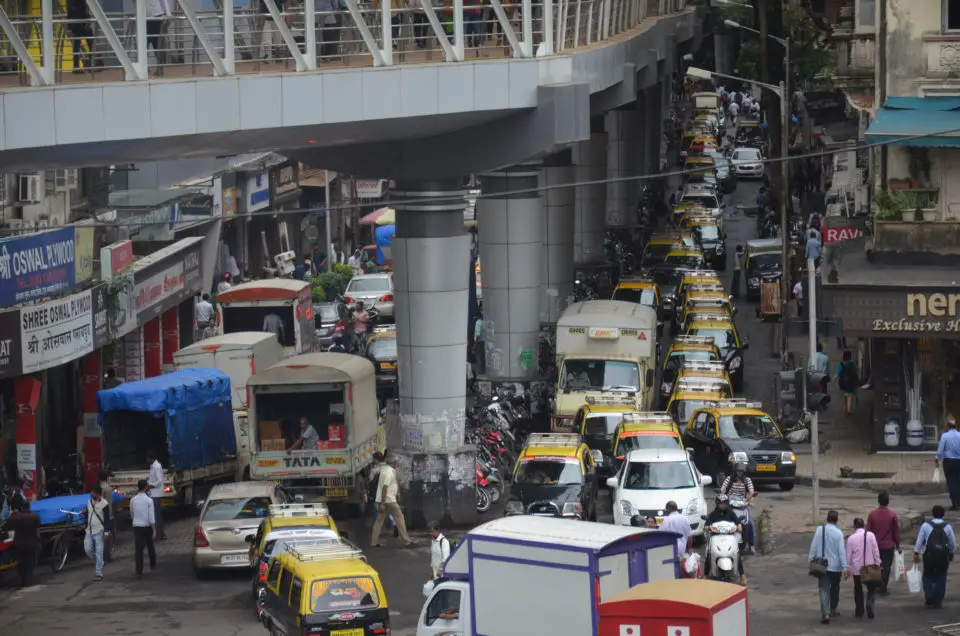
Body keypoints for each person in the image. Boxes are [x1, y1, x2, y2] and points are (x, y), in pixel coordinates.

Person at [808, 510, 849, 625]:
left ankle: (825, 612)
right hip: (835, 567)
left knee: (823, 588)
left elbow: (814, 546)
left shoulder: (820, 530)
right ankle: (833, 609)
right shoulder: (839, 533)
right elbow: (841, 552)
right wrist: (845, 567)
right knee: (835, 587)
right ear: (837, 520)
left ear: (827, 519)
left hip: (822, 566)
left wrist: (810, 559)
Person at [914, 504, 956, 608]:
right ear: (943, 515)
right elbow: (952, 543)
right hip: (943, 556)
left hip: (929, 555)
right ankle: (938, 599)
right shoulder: (948, 527)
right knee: (941, 576)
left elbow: (920, 540)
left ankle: (929, 596)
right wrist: (951, 553)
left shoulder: (926, 526)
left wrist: (916, 552)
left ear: (933, 514)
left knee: (928, 575)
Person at [371, 456, 412, 547]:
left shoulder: (384, 470)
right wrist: (382, 503)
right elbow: (385, 487)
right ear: (394, 464)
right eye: (396, 463)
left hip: (385, 500)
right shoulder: (389, 472)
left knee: (379, 521)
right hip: (389, 500)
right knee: (400, 518)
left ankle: (374, 542)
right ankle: (406, 540)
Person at [704, 495, 745, 583]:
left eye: (724, 503)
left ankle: (742, 575)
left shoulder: (731, 513)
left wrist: (739, 526)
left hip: (730, 536)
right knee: (708, 553)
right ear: (717, 504)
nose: (722, 505)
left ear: (727, 504)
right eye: (721, 504)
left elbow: (737, 522)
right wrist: (707, 527)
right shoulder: (713, 514)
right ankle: (706, 575)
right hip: (715, 536)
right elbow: (707, 524)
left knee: (737, 553)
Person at [867, 492, 901, 596]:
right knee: (886, 567)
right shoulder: (892, 514)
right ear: (888, 501)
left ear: (878, 501)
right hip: (888, 546)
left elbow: (868, 531)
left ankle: (875, 586)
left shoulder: (872, 514)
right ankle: (883, 587)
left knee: (876, 566)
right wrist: (898, 545)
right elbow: (896, 531)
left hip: (875, 545)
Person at [846, 517, 881, 619]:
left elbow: (848, 555)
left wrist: (848, 568)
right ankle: (870, 604)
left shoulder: (851, 538)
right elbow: (875, 550)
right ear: (864, 525)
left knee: (858, 589)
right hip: (869, 567)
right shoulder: (871, 535)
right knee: (871, 587)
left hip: (857, 568)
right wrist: (878, 563)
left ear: (854, 526)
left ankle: (859, 610)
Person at [720, 463, 756, 553]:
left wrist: (750, 497)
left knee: (750, 524)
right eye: (738, 471)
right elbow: (723, 488)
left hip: (742, 506)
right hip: (730, 506)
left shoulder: (747, 480)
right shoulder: (729, 479)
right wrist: (722, 492)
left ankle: (752, 545)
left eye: (741, 472)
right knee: (721, 522)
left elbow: (751, 491)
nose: (740, 473)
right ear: (734, 472)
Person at [5, 500, 39, 587]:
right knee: (29, 562)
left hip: (19, 544)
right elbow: (38, 526)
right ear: (29, 507)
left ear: (22, 507)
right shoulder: (35, 516)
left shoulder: (17, 517)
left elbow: (8, 524)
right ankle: (29, 580)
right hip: (32, 543)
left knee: (21, 563)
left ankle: (23, 581)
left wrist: (12, 514)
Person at [130, 479, 157, 578]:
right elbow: (151, 517)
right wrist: (154, 530)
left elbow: (132, 514)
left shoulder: (133, 500)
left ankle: (139, 570)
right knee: (150, 545)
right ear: (146, 487)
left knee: (139, 549)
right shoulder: (149, 501)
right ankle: (152, 563)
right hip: (147, 526)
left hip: (137, 526)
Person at [84, 485, 111, 581]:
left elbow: (107, 519)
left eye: (94, 492)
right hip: (89, 530)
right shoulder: (89, 502)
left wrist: (106, 531)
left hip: (100, 530)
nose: (92, 494)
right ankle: (100, 563)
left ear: (98, 494)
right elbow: (87, 515)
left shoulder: (104, 504)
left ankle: (98, 572)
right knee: (88, 549)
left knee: (99, 552)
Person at [936, 415, 960, 510]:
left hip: (949, 462)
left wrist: (937, 459)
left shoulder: (945, 436)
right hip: (959, 461)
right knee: (958, 481)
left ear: (948, 426)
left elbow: (940, 450)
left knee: (951, 482)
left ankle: (955, 503)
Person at [66, 0, 93, 72]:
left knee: (76, 44)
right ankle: (91, 64)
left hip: (73, 23)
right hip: (81, 22)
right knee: (91, 41)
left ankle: (76, 66)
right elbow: (85, 11)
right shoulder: (81, 2)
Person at [146, 452, 166, 541]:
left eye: (147, 459)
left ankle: (158, 534)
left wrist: (152, 485)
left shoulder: (157, 466)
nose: (146, 461)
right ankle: (161, 533)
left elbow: (159, 480)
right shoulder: (153, 466)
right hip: (153, 493)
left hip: (155, 493)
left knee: (156, 515)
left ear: (151, 458)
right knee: (157, 515)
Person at [145, 0, 170, 70]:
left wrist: (168, 15)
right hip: (144, 17)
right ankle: (145, 67)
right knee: (144, 44)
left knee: (157, 43)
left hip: (156, 17)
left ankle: (160, 68)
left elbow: (164, 1)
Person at [835, 351, 860, 415]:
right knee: (849, 395)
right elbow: (855, 373)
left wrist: (834, 379)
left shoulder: (840, 364)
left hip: (842, 383)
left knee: (844, 395)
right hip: (850, 382)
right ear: (849, 357)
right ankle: (849, 409)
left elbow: (836, 374)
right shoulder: (852, 364)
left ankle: (845, 408)